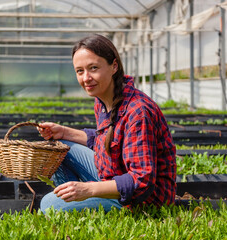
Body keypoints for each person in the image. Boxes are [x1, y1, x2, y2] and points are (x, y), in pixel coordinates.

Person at [37, 34, 176, 213]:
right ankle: (74, 202)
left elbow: (141, 180)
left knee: (48, 205)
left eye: (93, 68)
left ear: (114, 66)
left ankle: (76, 204)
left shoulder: (138, 112)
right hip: (113, 175)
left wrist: (87, 190)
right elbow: (106, 140)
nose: (86, 78)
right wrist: (63, 132)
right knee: (60, 148)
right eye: (80, 71)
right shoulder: (103, 100)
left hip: (141, 201)